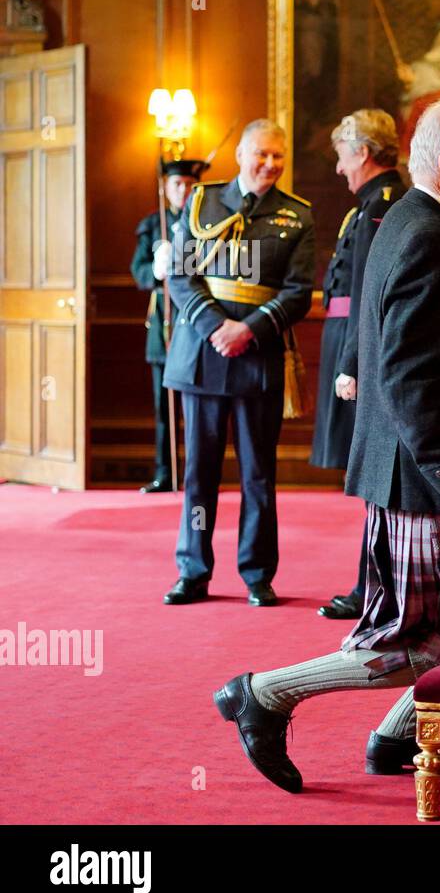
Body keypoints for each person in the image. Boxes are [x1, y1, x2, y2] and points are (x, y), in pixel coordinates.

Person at [213, 101, 440, 791]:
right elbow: (410, 384)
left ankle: (399, 737)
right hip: (431, 484)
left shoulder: (425, 220)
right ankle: (263, 695)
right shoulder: (426, 236)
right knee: (415, 645)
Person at [160, 120, 315, 607]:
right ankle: (194, 570)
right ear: (243, 154)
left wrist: (247, 330)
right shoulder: (203, 201)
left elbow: (298, 293)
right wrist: (216, 327)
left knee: (257, 476)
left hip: (257, 356)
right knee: (200, 476)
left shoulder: (297, 216)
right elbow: (181, 276)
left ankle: (256, 574)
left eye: (279, 157)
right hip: (203, 356)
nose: (271, 164)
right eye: (262, 155)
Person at [310, 109, 407, 621]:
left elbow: (370, 296)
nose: (339, 167)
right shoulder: (372, 202)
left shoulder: (382, 204)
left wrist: (351, 365)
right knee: (371, 475)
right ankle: (373, 584)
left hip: (358, 353)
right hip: (350, 345)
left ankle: (372, 587)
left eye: (343, 155)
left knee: (375, 475)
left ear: (363, 152)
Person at [129, 158, 206, 493]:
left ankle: (196, 473)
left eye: (189, 185)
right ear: (165, 188)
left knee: (197, 406)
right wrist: (155, 272)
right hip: (163, 324)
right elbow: (139, 271)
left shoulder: (206, 223)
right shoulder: (152, 225)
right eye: (176, 184)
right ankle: (165, 471)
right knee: (164, 407)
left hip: (197, 320)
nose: (183, 191)